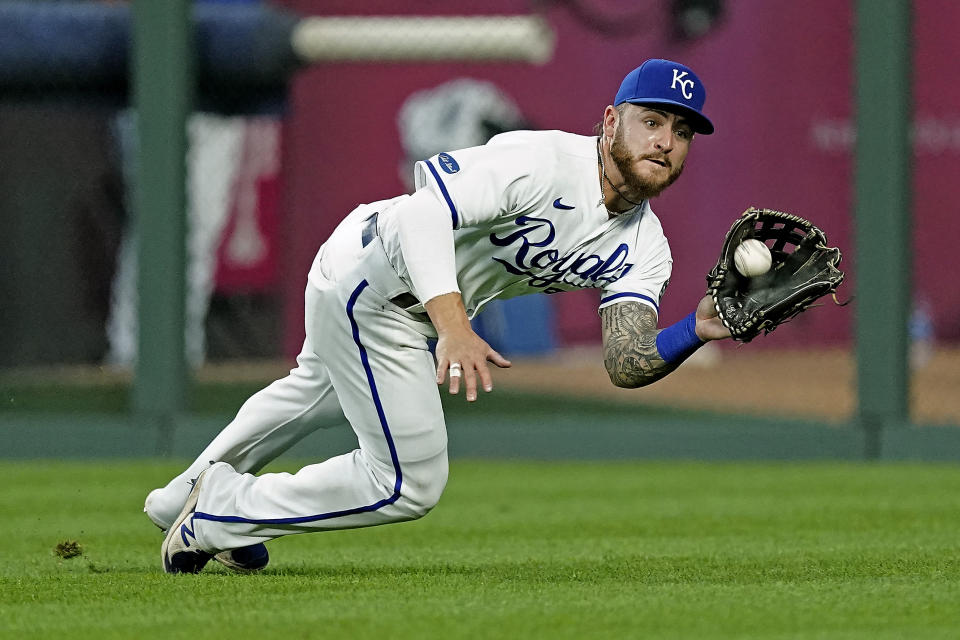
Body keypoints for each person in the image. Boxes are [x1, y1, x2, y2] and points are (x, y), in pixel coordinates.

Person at [149, 58, 733, 574]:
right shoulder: (543, 161)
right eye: (651, 122)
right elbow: (422, 214)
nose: (665, 141)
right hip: (377, 283)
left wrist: (697, 328)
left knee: (312, 396)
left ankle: (179, 503)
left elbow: (626, 360)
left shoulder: (646, 246)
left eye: (682, 132)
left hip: (378, 285)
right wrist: (455, 328)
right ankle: (221, 513)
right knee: (407, 484)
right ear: (611, 122)